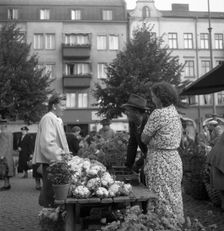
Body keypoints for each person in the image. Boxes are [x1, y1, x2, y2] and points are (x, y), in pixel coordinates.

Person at [141, 81, 184, 224]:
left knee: (159, 196)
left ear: (160, 97)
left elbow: (144, 138)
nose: (152, 99)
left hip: (160, 161)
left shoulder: (158, 113)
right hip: (174, 159)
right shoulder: (173, 111)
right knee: (173, 195)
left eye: (153, 96)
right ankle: (175, 224)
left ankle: (161, 225)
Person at [32, 93, 69, 207]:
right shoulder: (48, 118)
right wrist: (63, 156)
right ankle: (50, 219)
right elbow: (48, 143)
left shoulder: (55, 119)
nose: (65, 108)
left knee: (54, 193)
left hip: (54, 163)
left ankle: (52, 218)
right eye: (62, 105)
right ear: (54, 106)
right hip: (52, 163)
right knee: (51, 194)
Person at [121, 94, 149, 173]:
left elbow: (151, 150)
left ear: (136, 112)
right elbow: (132, 143)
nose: (125, 112)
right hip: (147, 158)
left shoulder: (149, 124)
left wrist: (138, 164)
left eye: (127, 110)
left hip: (156, 159)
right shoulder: (133, 123)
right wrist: (128, 165)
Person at [0, 120, 14, 191]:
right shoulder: (10, 132)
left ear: (2, 125)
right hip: (9, 154)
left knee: (4, 170)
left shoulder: (3, 133)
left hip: (4, 155)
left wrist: (1, 155)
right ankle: (7, 184)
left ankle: (6, 185)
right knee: (7, 170)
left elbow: (3, 145)